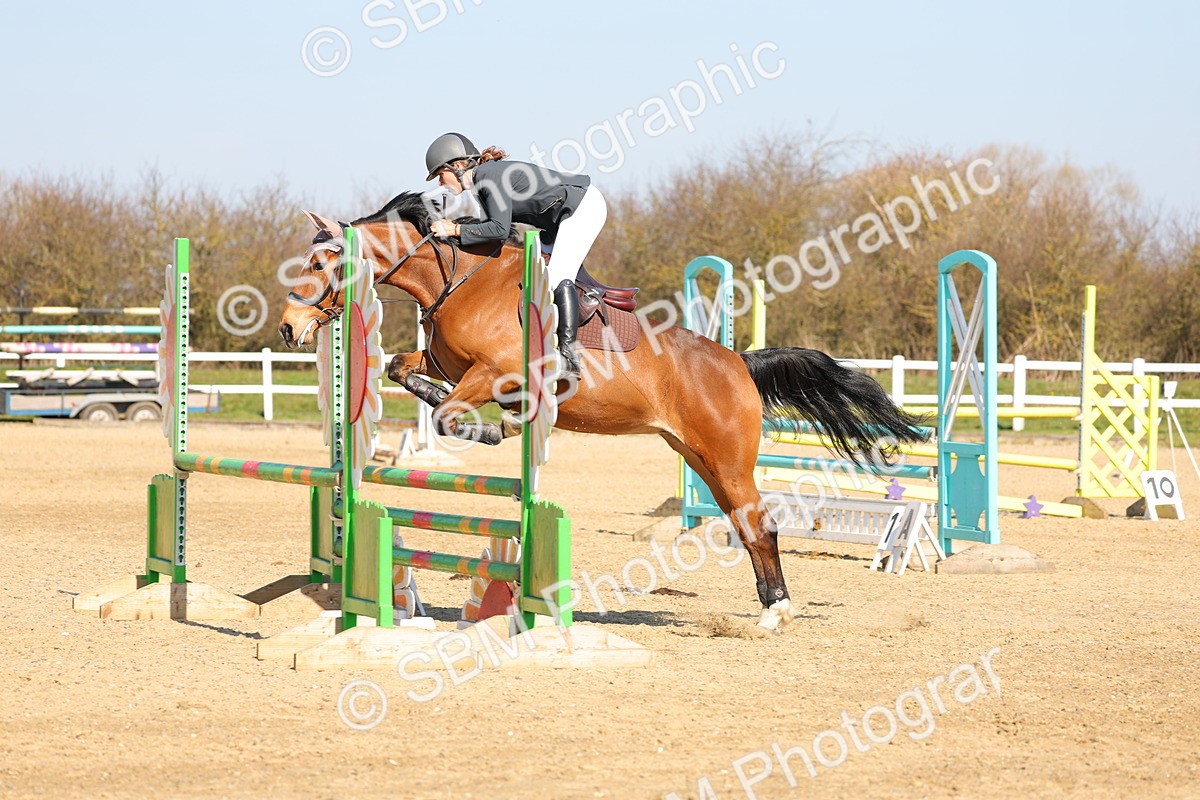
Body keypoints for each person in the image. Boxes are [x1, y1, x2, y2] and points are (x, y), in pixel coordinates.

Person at [423, 132, 606, 376]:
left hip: (582, 207)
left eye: (440, 174)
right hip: (557, 221)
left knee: (557, 276)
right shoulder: (481, 184)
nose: (439, 183)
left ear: (456, 166)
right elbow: (491, 234)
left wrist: (455, 229)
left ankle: (569, 357)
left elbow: (498, 230)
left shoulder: (489, 179)